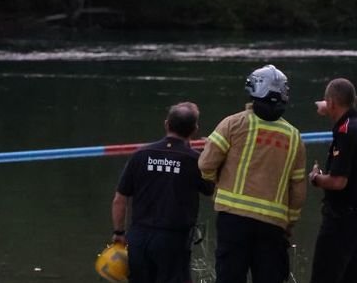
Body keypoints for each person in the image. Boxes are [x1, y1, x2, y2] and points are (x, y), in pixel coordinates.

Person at [198, 64, 307, 283]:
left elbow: (206, 164)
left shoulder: (233, 124)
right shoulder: (294, 137)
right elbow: (298, 192)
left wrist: (216, 187)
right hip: (273, 226)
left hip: (233, 221)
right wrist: (290, 223)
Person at [112, 102, 214, 283]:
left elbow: (120, 199)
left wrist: (119, 232)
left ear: (166, 124)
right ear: (194, 130)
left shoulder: (141, 155)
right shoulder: (195, 160)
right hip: (173, 240)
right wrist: (210, 154)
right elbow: (211, 190)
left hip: (139, 238)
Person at [307, 78, 357, 283]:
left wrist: (315, 178)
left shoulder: (345, 132)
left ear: (332, 103)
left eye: (327, 101)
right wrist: (328, 104)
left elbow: (338, 181)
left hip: (342, 220)